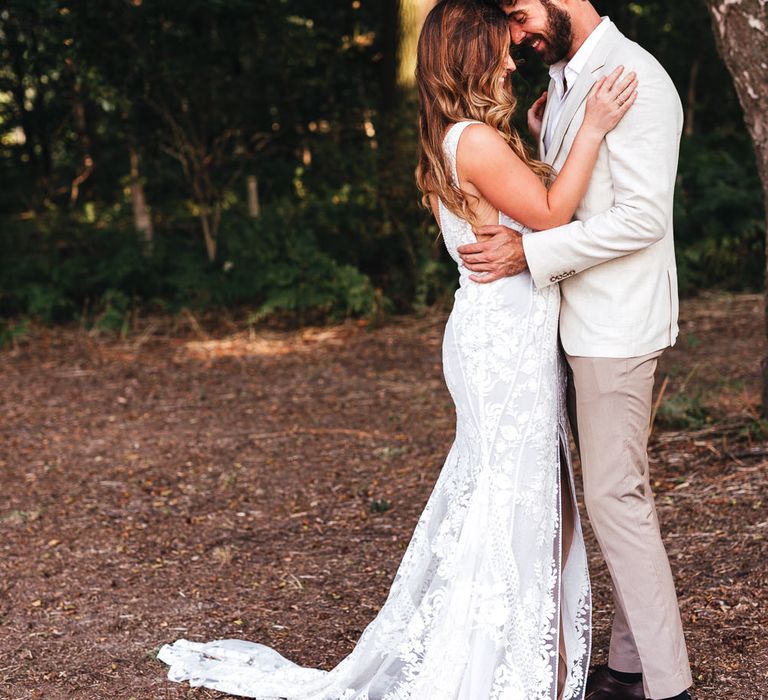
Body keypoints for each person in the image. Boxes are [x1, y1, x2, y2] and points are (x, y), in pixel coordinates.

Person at [157, 1, 636, 697]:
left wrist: (542, 142)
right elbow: (555, 213)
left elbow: (532, 216)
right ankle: (490, 670)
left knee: (517, 499)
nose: (511, 61)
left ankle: (523, 658)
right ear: (470, 57)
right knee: (512, 505)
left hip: (499, 336)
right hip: (503, 347)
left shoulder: (461, 136)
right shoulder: (474, 141)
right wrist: (591, 125)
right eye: (500, 50)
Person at [456, 2, 693, 699]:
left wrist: (531, 253)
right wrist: (542, 136)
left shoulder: (633, 77)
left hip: (617, 326)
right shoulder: (563, 81)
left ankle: (669, 687)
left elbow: (643, 219)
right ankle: (626, 670)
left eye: (519, 13)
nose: (518, 34)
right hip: (575, 322)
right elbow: (571, 190)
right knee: (618, 496)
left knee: (615, 497)